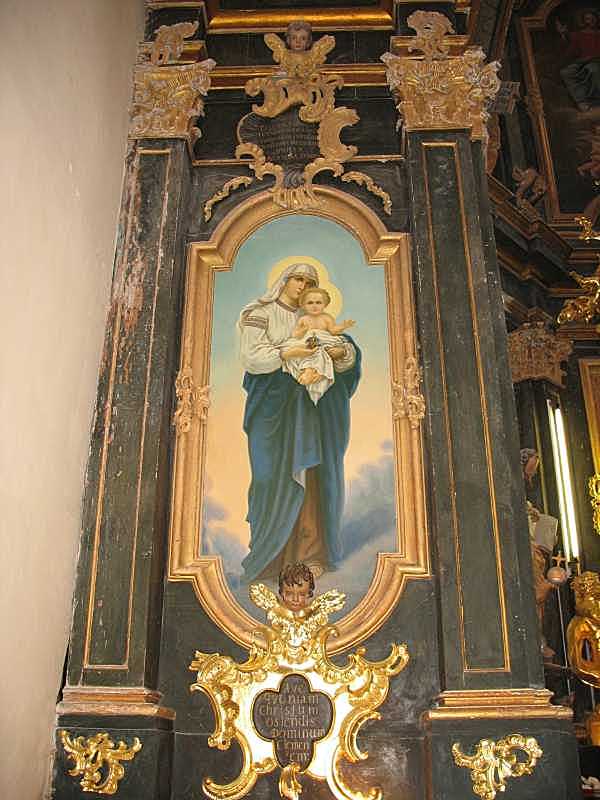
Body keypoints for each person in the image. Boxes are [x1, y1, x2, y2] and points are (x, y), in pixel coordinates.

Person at [238, 262, 361, 582]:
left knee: (310, 474)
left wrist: (340, 354)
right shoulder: (261, 313)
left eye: (309, 281)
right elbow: (251, 357)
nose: (303, 285)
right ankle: (268, 556)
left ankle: (309, 555)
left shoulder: (315, 315)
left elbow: (343, 352)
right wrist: (288, 353)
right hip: (271, 406)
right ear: (283, 280)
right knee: (267, 477)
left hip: (308, 410)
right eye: (298, 278)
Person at [281, 286, 356, 405]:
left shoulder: (326, 318)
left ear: (325, 304)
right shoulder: (303, 319)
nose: (314, 306)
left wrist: (343, 326)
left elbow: (333, 330)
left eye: (318, 302)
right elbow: (295, 334)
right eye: (310, 303)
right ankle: (309, 372)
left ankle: (314, 373)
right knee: (298, 351)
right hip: (307, 340)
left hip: (324, 340)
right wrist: (302, 330)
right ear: (303, 306)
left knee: (320, 354)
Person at [556, 10, 600, 111]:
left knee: (592, 70)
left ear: (596, 20)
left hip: (596, 61)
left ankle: (595, 100)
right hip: (582, 62)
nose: (590, 21)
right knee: (565, 72)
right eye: (587, 19)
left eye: (592, 19)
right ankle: (581, 101)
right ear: (584, 21)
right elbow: (571, 50)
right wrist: (563, 34)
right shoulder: (579, 34)